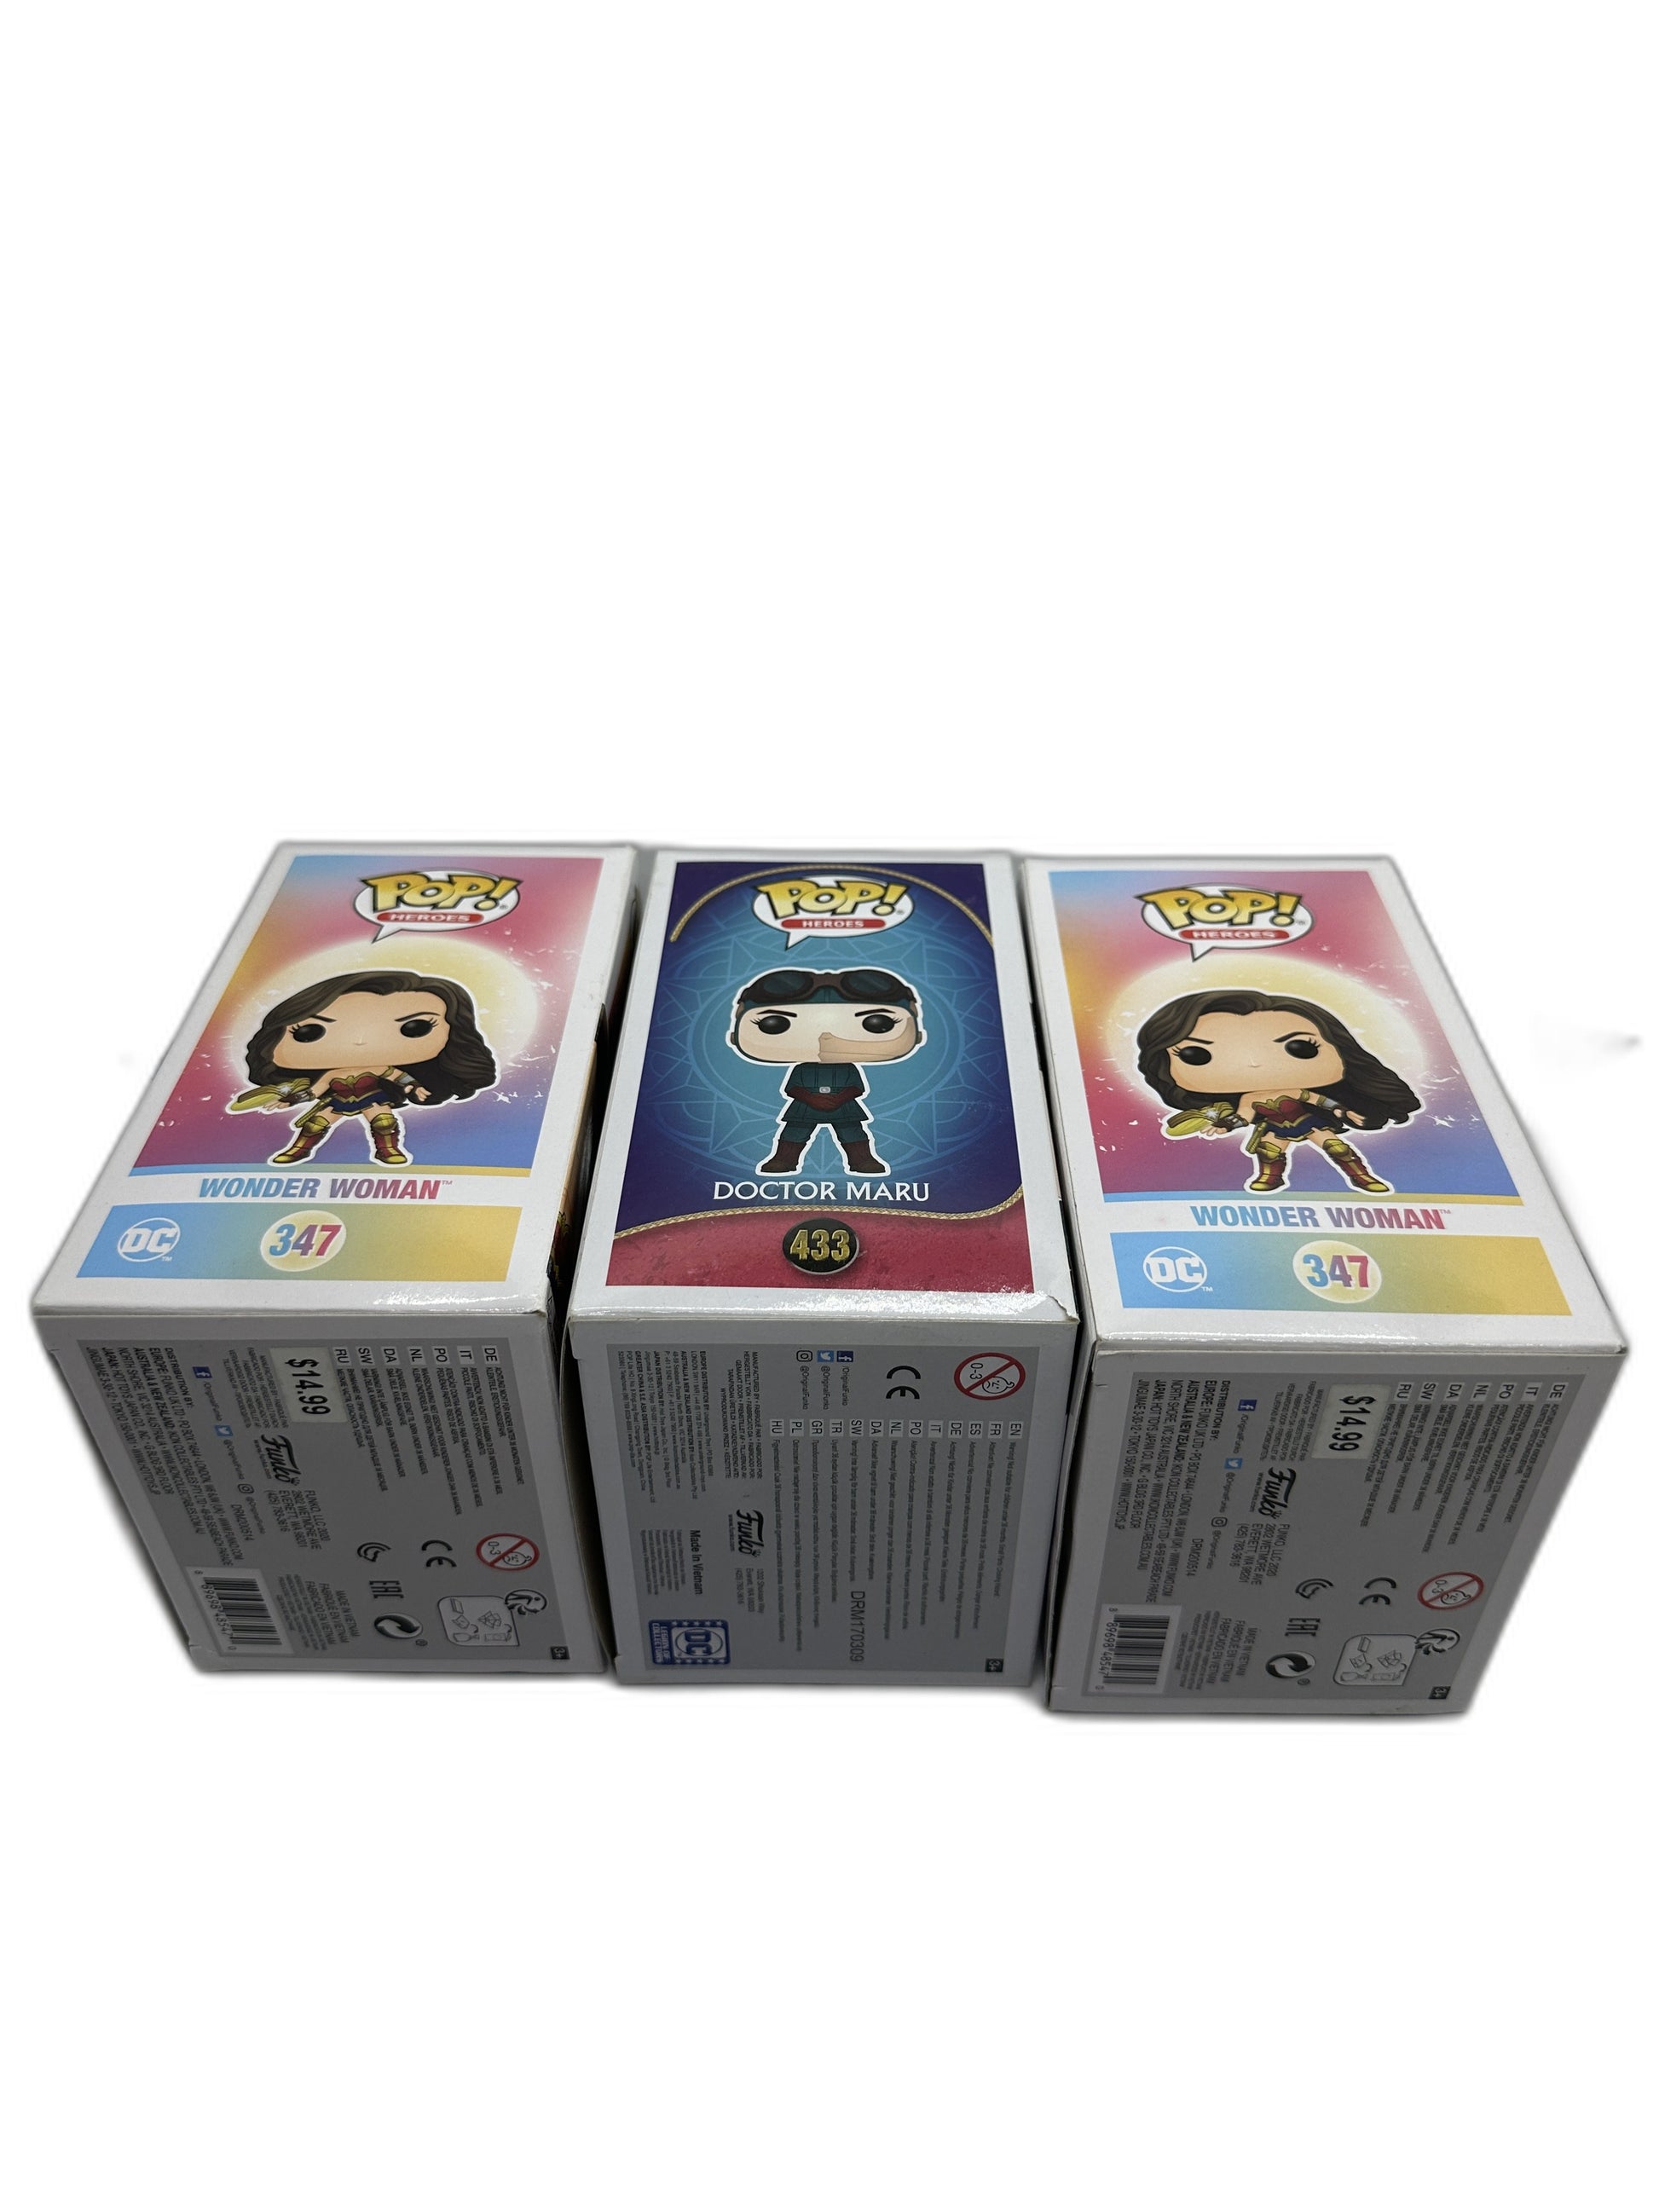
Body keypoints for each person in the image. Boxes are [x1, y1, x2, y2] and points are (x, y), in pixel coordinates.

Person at [1136, 987, 1420, 1193]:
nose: (1254, 1063)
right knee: (1269, 1150)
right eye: (1196, 1055)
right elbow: (1244, 1117)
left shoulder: (1296, 1090)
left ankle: (1362, 1177)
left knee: (1336, 1146)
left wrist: (1343, 1112)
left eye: (1301, 1048)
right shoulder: (1250, 1098)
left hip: (1309, 1121)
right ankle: (1270, 1178)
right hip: (1275, 1126)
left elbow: (1320, 1100)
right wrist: (1224, 1126)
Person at [232, 968, 495, 1166]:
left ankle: (388, 1150)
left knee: (383, 1121)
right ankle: (298, 1150)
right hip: (337, 1101)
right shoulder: (332, 1073)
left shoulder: (380, 1067)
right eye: (309, 1031)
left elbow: (399, 1076)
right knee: (315, 1124)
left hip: (372, 1098)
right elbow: (313, 1092)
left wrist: (414, 1087)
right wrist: (289, 1101)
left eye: (414, 1028)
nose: (360, 1041)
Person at [730, 966, 926, 1175]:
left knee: (853, 1134)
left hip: (843, 1106)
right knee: (793, 1134)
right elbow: (792, 1089)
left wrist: (839, 1098)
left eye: (878, 1023)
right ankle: (783, 1160)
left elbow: (856, 1088)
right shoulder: (803, 1068)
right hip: (804, 1108)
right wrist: (812, 1099)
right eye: (773, 1024)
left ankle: (863, 1161)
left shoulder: (848, 1067)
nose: (825, 1036)